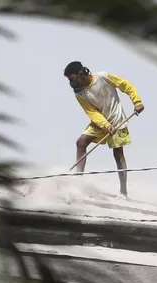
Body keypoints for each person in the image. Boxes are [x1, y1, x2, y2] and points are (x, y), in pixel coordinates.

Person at [63, 61, 144, 198]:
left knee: (118, 154)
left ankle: (123, 192)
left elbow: (125, 85)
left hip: (118, 120)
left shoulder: (103, 77)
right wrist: (106, 125)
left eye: (72, 79)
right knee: (81, 142)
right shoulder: (79, 94)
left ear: (82, 73)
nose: (72, 83)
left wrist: (137, 102)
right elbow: (92, 113)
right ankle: (78, 183)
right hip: (100, 123)